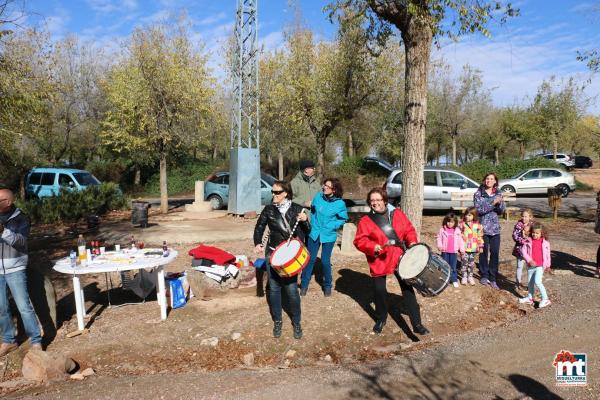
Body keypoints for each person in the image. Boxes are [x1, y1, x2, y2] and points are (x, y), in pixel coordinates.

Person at [353, 188, 429, 335]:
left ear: (385, 201)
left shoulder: (397, 214)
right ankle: (381, 318)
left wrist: (412, 242)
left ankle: (417, 323)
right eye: (372, 201)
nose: (375, 203)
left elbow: (409, 230)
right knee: (379, 291)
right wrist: (372, 246)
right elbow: (359, 241)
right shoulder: (366, 221)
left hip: (399, 256)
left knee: (408, 289)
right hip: (379, 259)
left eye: (378, 200)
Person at [253, 180, 309, 339]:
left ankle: (297, 322)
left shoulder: (297, 209)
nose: (273, 195)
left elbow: (308, 230)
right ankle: (277, 321)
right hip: (272, 253)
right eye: (272, 192)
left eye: (277, 192)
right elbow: (259, 228)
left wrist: (305, 221)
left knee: (291, 290)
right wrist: (258, 242)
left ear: (285, 193)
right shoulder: (269, 209)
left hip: (290, 256)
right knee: (275, 288)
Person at [0, 188, 43, 356]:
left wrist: (3, 231)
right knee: (2, 308)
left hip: (15, 269)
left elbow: (21, 242)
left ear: (8, 202)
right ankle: (8, 341)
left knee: (24, 307)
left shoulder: (21, 218)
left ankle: (36, 341)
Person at [300, 177, 348, 297]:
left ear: (334, 189)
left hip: (329, 235)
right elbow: (313, 210)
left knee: (325, 261)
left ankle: (327, 286)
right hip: (314, 233)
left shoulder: (340, 204)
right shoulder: (318, 197)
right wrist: (310, 221)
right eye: (324, 185)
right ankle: (304, 285)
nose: (324, 187)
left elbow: (343, 219)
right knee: (310, 259)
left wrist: (332, 226)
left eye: (327, 186)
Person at [474, 172, 506, 289]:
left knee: (495, 253)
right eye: (487, 178)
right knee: (483, 253)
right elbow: (480, 210)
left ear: (495, 181)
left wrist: (499, 204)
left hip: (495, 229)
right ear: (484, 180)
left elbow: (502, 210)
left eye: (491, 179)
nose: (489, 181)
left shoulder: (498, 193)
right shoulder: (478, 194)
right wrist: (493, 202)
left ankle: (493, 277)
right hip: (482, 229)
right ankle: (484, 275)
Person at [518, 222, 552, 308]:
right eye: (533, 232)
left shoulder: (545, 243)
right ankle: (530, 298)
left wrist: (548, 265)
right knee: (530, 283)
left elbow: (548, 255)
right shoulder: (528, 241)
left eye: (537, 233)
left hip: (540, 266)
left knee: (538, 282)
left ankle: (545, 299)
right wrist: (529, 260)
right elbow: (523, 251)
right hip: (531, 266)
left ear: (541, 233)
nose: (534, 234)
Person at [436, 212, 464, 288]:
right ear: (445, 221)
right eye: (448, 221)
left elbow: (460, 240)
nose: (449, 224)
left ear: (455, 222)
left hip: (453, 252)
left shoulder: (457, 230)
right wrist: (439, 245)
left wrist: (462, 249)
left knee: (453, 266)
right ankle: (445, 279)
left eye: (452, 222)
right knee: (444, 265)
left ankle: (454, 279)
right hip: (445, 251)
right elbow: (439, 238)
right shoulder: (442, 230)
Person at [459, 207, 483, 286]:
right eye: (466, 215)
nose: (467, 217)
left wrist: (480, 246)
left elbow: (480, 236)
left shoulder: (478, 226)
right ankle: (464, 276)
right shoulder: (462, 224)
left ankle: (470, 276)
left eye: (469, 215)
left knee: (471, 263)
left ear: (474, 216)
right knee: (464, 263)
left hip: (473, 248)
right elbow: (458, 235)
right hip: (464, 248)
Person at [512, 209, 534, 291]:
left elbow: (536, 235)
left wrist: (530, 240)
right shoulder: (518, 225)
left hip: (530, 250)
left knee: (530, 268)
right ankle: (518, 283)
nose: (524, 218)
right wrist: (523, 240)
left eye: (526, 216)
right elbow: (514, 236)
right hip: (520, 249)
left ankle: (530, 284)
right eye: (523, 216)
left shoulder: (533, 226)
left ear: (530, 217)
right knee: (519, 266)